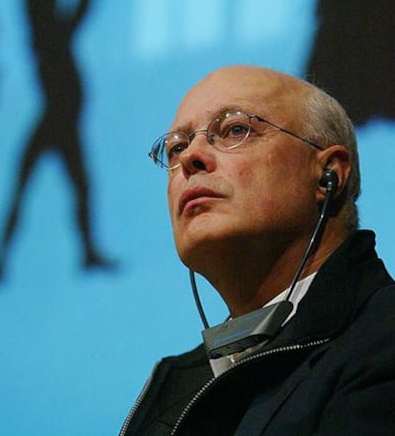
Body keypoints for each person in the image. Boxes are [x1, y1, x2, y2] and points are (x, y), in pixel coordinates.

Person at [120, 65, 395, 435]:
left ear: (328, 174)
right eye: (176, 147)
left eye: (235, 129)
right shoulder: (175, 388)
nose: (189, 158)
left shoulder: (381, 337)